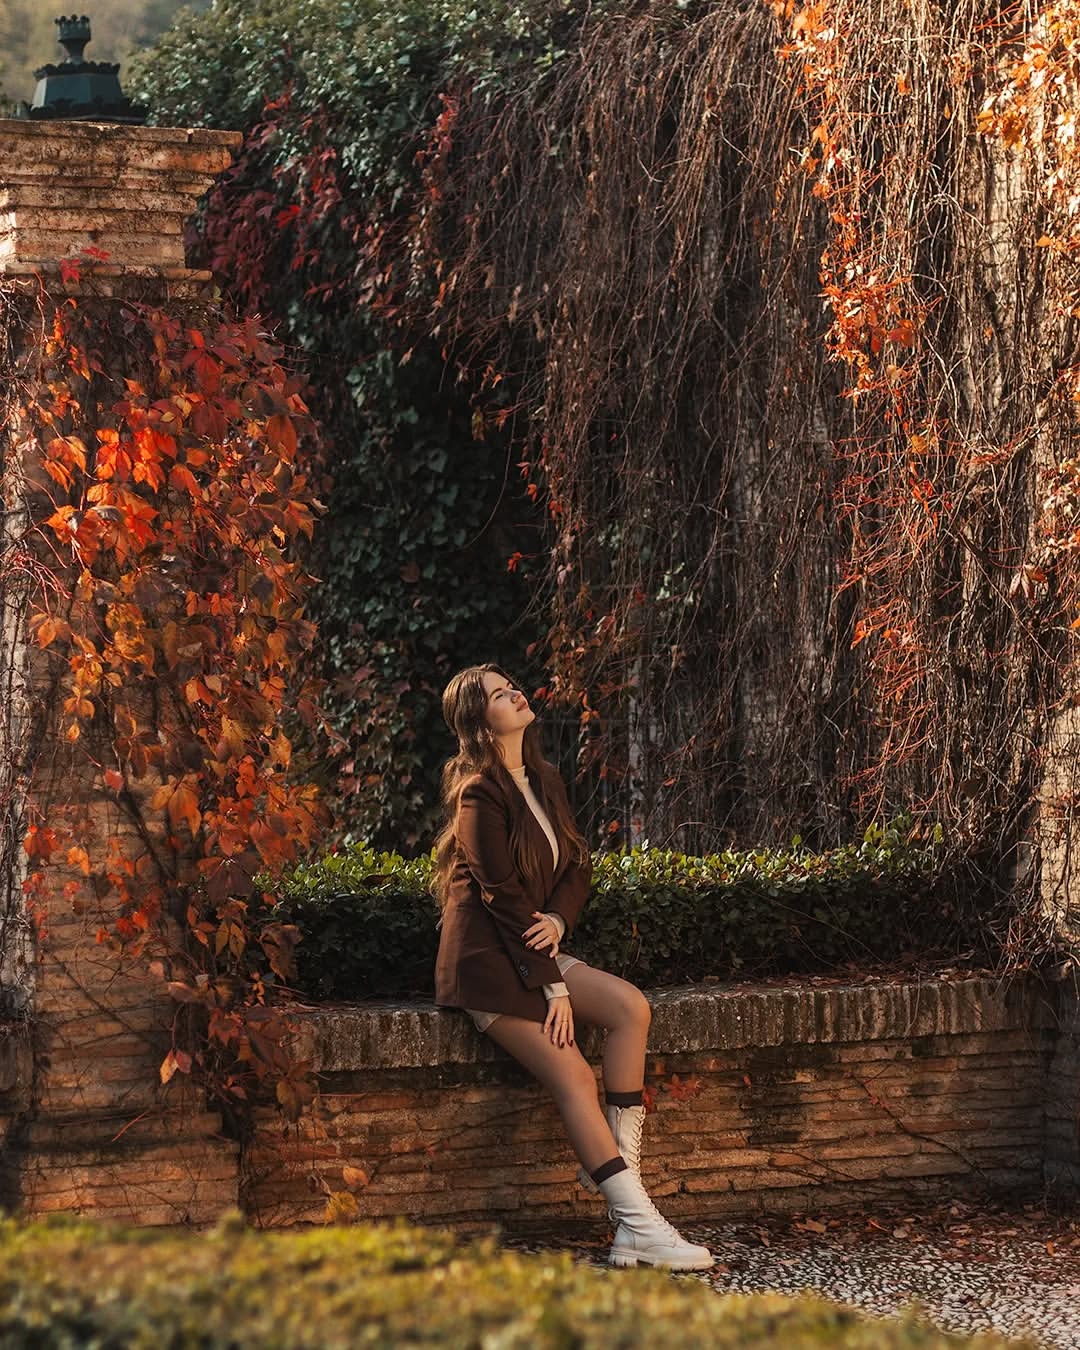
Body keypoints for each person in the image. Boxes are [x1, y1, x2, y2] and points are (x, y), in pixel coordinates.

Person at [431, 662, 714, 1271]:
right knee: (576, 1079)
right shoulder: (479, 791)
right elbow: (499, 895)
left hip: (535, 946)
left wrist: (559, 921)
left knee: (629, 1008)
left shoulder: (544, 778)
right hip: (488, 966)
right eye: (497, 694)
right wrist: (552, 982)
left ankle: (622, 1188)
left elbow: (577, 865)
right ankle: (638, 1224)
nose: (513, 692)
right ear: (479, 721)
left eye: (510, 684)